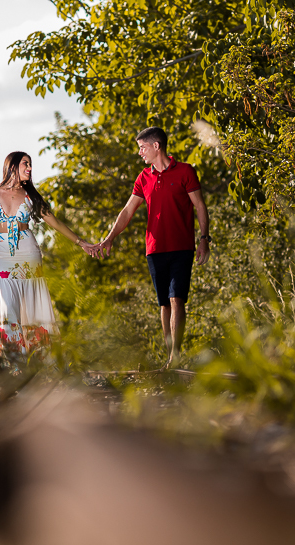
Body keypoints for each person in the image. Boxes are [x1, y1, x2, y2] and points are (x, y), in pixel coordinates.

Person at [93, 127, 211, 368]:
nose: (140, 153)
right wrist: (109, 237)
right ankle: (171, 357)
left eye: (142, 147)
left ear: (156, 146)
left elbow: (199, 206)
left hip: (181, 247)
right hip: (154, 249)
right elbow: (127, 211)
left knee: (177, 298)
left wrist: (204, 239)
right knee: (164, 303)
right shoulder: (143, 178)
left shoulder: (185, 171)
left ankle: (175, 356)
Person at [0, 151, 94, 365]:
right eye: (26, 164)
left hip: (29, 255)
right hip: (2, 256)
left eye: (30, 165)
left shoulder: (32, 196)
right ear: (12, 166)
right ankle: (15, 365)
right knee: (7, 310)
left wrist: (81, 242)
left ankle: (42, 363)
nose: (30, 169)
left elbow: (55, 222)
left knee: (33, 307)